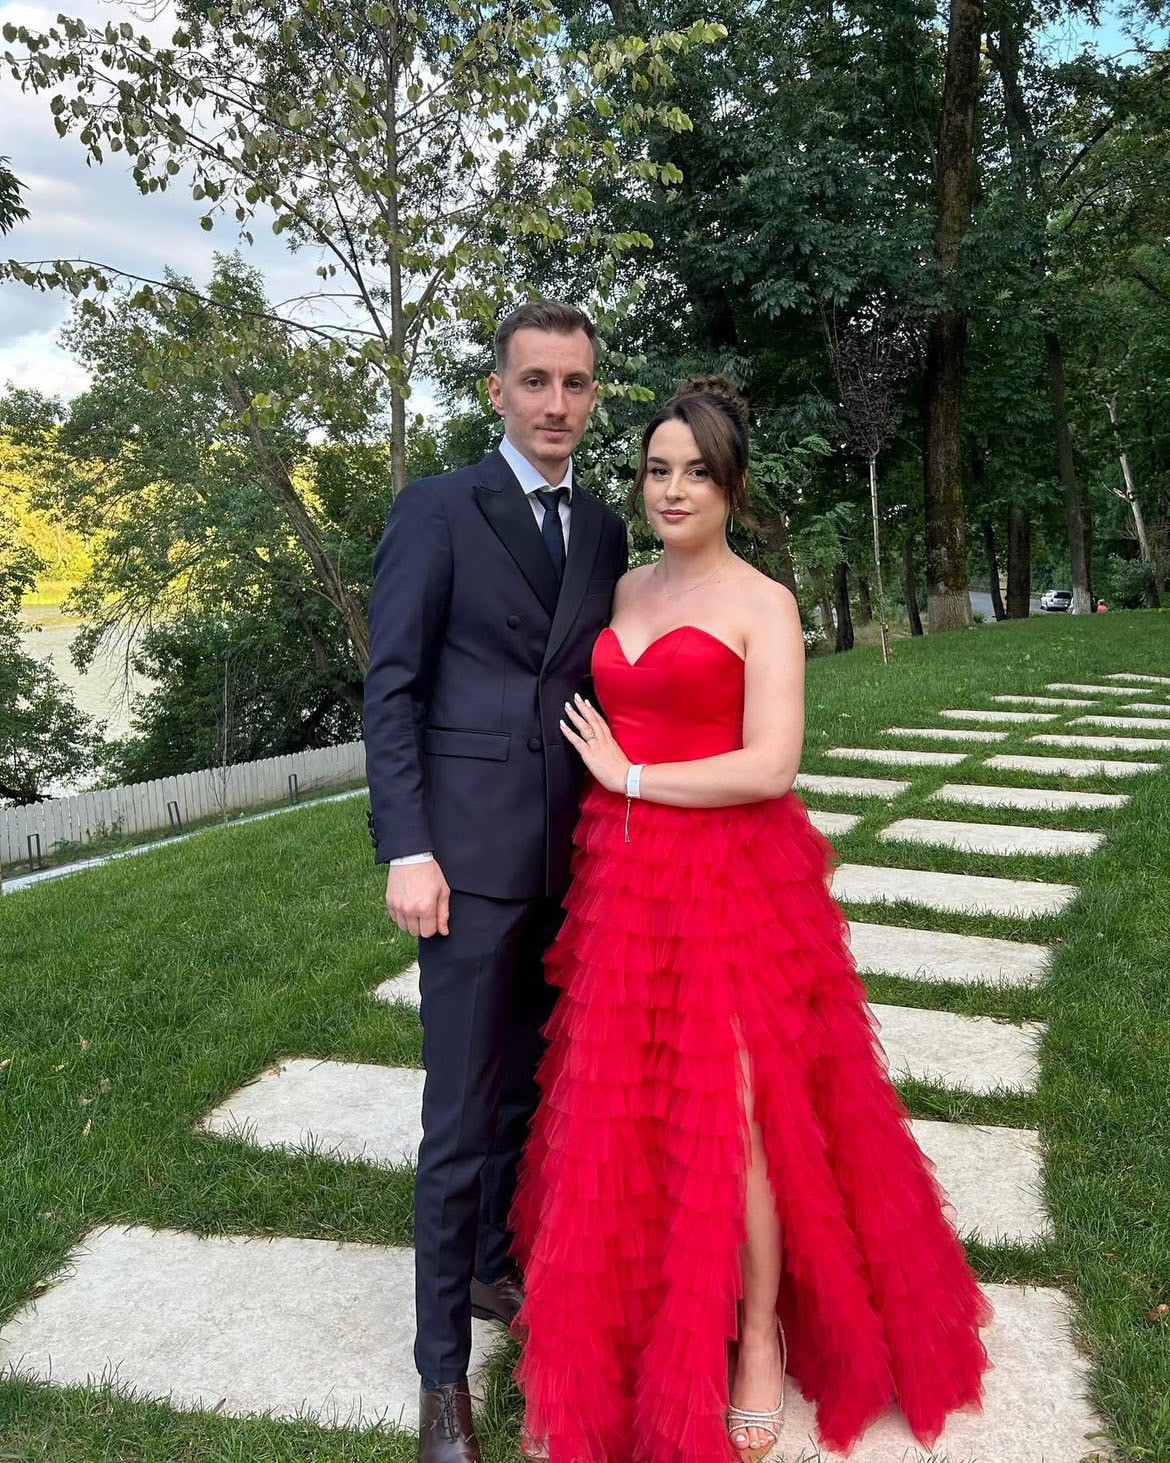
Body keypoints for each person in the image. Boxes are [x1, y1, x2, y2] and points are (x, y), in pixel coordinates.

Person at [510, 375, 993, 1463]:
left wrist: (632, 778)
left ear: (733, 486)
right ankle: (647, 1322)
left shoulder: (763, 602)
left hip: (732, 876)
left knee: (739, 1115)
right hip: (622, 879)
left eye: (697, 472)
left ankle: (761, 1332)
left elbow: (772, 765)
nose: (673, 489)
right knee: (628, 1106)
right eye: (657, 469)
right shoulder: (619, 587)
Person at [363, 300, 629, 1463]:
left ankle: (489, 1267)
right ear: (496, 391)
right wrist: (407, 846)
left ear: (593, 394)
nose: (555, 404)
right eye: (535, 381)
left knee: (529, 1089)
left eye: (575, 383)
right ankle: (441, 1380)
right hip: (464, 864)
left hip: (573, 858)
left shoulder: (605, 528)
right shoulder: (437, 509)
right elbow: (392, 688)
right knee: (461, 1117)